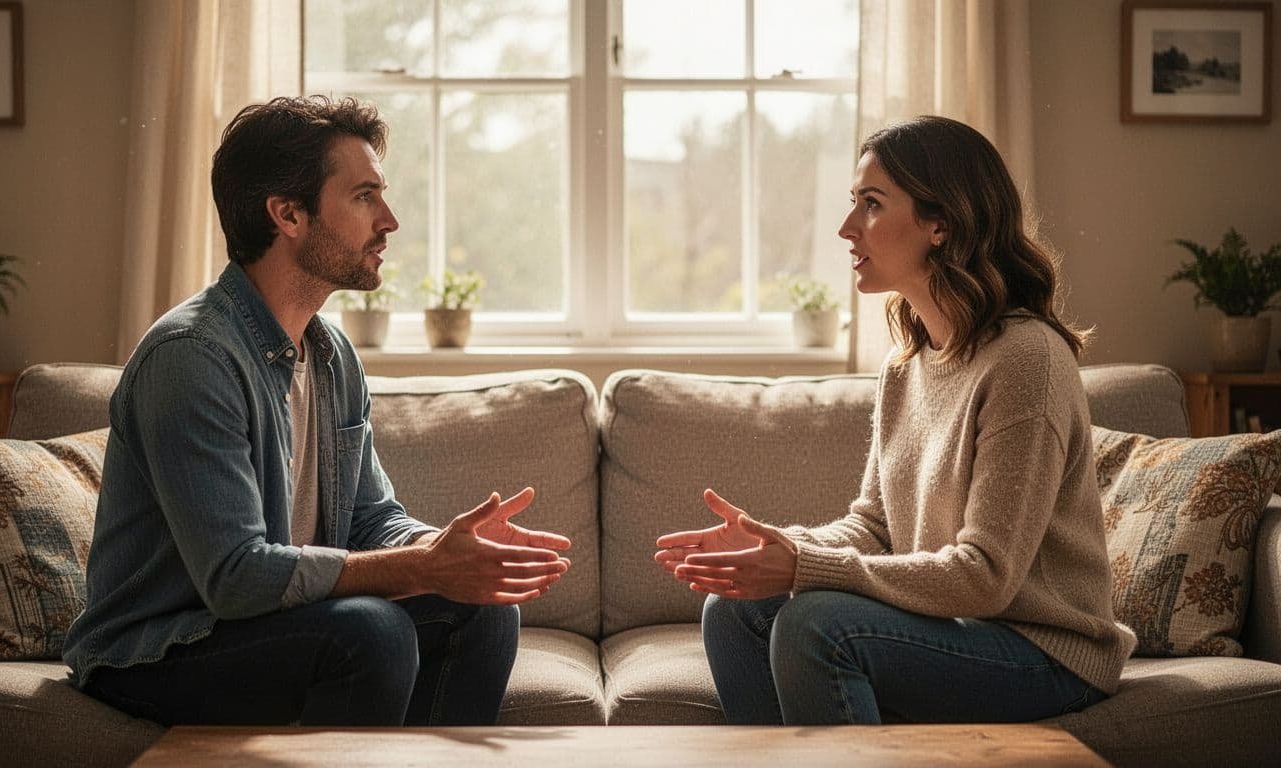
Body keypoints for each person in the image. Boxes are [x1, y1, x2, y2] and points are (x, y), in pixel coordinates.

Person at [63, 95, 572, 727]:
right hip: (161, 649)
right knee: (371, 632)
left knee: (482, 608)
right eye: (363, 197)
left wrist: (443, 549)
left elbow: (371, 518)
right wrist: (423, 565)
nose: (389, 220)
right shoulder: (191, 359)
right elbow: (237, 579)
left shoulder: (331, 354)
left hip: (269, 625)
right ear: (288, 214)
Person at [654, 115, 1134, 725]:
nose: (847, 229)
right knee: (734, 609)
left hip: (1042, 651)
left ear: (942, 224)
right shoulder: (907, 366)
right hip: (962, 628)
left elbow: (987, 578)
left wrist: (802, 567)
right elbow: (875, 526)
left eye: (872, 205)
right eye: (854, 204)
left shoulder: (1025, 361)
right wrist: (777, 545)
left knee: (813, 626)